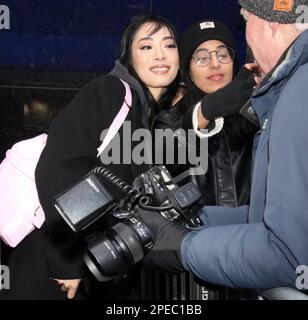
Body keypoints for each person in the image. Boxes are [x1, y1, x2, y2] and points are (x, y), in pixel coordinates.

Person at [0, 14, 179, 300]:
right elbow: (57, 165)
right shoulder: (112, 91)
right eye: (146, 47)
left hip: (91, 265)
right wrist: (66, 260)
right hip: (53, 261)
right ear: (129, 57)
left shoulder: (144, 116)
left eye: (169, 46)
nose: (159, 54)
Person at [138, 0, 308, 292]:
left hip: (252, 270)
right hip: (198, 279)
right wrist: (204, 114)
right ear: (188, 71)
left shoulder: (263, 112)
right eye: (201, 57)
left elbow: (274, 222)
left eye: (222, 54)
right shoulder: (170, 121)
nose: (215, 63)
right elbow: (164, 161)